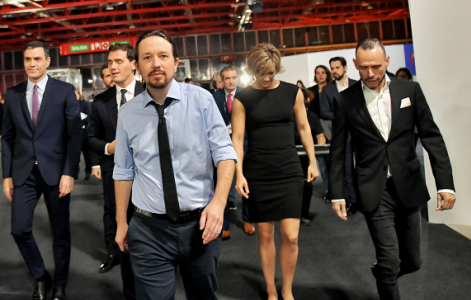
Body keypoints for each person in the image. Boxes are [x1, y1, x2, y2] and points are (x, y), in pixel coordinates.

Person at [113, 30, 237, 300]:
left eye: (163, 56)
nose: (156, 63)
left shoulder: (201, 100)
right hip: (148, 231)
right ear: (138, 65)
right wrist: (121, 222)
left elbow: (225, 153)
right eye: (147, 57)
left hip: (200, 226)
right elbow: (123, 171)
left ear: (175, 61)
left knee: (204, 296)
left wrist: (218, 203)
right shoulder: (128, 114)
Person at [329, 38, 456, 300]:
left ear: (387, 61)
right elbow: (339, 150)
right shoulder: (345, 101)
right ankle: (386, 276)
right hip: (373, 188)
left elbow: (432, 137)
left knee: (412, 261)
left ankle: (385, 274)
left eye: (376, 66)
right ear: (355, 65)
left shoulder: (410, 90)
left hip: (408, 185)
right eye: (363, 68)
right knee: (388, 260)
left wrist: (444, 183)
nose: (370, 73)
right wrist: (337, 193)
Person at [232, 43, 319, 300]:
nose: (267, 78)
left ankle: (287, 289)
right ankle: (271, 289)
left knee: (291, 237)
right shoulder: (243, 98)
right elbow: (237, 139)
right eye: (262, 73)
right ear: (252, 70)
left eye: (271, 72)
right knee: (266, 234)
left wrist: (312, 161)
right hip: (258, 171)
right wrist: (240, 174)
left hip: (289, 169)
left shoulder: (294, 92)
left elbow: (304, 128)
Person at [1, 41, 81, 300]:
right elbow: (7, 138)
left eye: (37, 58)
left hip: (56, 173)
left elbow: (74, 135)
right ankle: (40, 275)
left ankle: (59, 284)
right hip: (24, 173)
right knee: (19, 229)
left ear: (48, 61)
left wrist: (69, 172)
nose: (32, 64)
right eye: (27, 59)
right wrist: (6, 175)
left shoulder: (64, 91)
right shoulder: (12, 94)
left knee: (60, 233)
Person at [87, 43, 144, 299]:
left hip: (151, 178)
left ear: (133, 64)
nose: (112, 66)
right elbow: (90, 138)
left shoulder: (150, 92)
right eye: (110, 62)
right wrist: (109, 147)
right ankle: (129, 286)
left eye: (119, 61)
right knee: (118, 223)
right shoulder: (100, 101)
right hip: (115, 175)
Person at [211, 66, 254, 239]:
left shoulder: (248, 94)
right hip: (222, 145)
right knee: (223, 185)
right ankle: (224, 224)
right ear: (221, 80)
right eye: (227, 78)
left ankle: (248, 219)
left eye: (234, 77)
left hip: (245, 144)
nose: (231, 81)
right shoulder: (214, 97)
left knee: (247, 183)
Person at [321, 56, 358, 211]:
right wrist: (342, 116)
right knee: (347, 169)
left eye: (337, 67)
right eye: (332, 68)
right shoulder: (328, 89)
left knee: (365, 166)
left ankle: (367, 198)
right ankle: (353, 202)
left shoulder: (357, 85)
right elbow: (324, 112)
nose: (334, 71)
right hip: (341, 134)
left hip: (360, 133)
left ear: (345, 68)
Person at [295, 105, 327, 225]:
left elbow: (320, 136)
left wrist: (320, 146)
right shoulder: (285, 115)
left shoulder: (311, 116)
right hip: (287, 157)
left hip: (304, 158)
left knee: (307, 187)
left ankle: (303, 214)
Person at [308, 65, 333, 201]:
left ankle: (336, 191)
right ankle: (329, 190)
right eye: (317, 73)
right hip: (315, 130)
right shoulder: (310, 91)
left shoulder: (332, 89)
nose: (320, 75)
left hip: (330, 128)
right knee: (322, 163)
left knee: (332, 162)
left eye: (323, 72)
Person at [75, 91, 93, 180]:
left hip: (84, 133)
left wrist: (79, 121)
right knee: (75, 155)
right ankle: (75, 172)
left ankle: (88, 171)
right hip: (74, 134)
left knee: (87, 154)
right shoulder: (68, 104)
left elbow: (89, 116)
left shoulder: (84, 105)